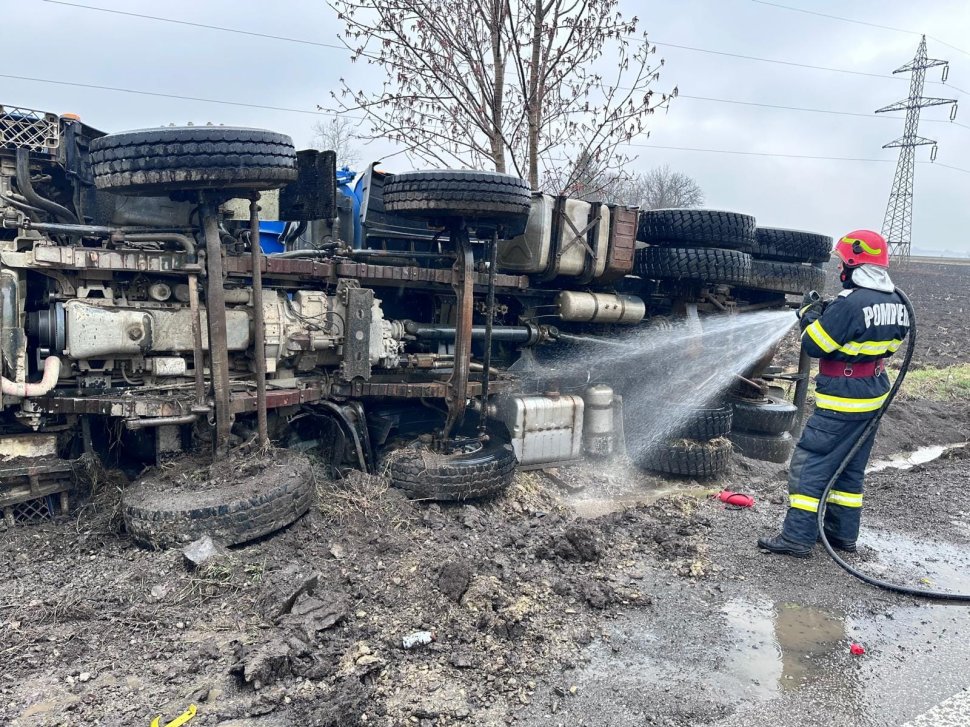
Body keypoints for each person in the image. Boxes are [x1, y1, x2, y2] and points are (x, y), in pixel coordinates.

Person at [758, 230, 911, 557]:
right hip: (873, 396)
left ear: (855, 262)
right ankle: (842, 535)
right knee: (850, 467)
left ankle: (796, 538)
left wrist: (810, 317)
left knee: (809, 464)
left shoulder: (850, 303)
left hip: (842, 399)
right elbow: (888, 344)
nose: (841, 268)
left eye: (843, 262)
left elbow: (815, 345)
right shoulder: (898, 302)